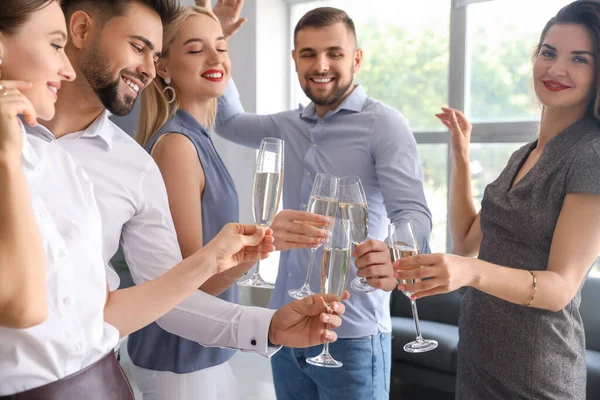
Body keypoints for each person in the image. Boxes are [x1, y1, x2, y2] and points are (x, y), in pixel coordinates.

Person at [0, 1, 302, 398]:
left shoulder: (130, 167)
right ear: (80, 30)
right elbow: (27, 309)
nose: (147, 68)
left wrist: (266, 326)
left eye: (155, 55)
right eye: (138, 46)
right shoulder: (25, 150)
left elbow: (131, 304)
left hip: (102, 382)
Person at [215, 6, 432, 399]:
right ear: (295, 60)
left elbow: (412, 213)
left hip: (353, 332)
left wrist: (394, 250)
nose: (321, 65)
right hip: (286, 325)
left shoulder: (384, 124)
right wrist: (220, 42)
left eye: (334, 53)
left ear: (357, 59)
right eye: (309, 54)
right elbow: (227, 121)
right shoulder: (286, 125)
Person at [394, 1, 600, 398]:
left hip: (536, 374)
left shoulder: (589, 156)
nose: (556, 69)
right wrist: (460, 155)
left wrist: (471, 272)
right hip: (480, 360)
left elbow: (559, 288)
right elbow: (467, 240)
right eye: (548, 52)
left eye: (579, 59)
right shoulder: (524, 154)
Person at [133, 5, 329, 399]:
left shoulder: (196, 138)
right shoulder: (177, 147)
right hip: (179, 362)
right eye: (194, 50)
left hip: (200, 355)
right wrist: (260, 246)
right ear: (163, 66)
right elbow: (192, 285)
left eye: (221, 47)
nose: (215, 59)